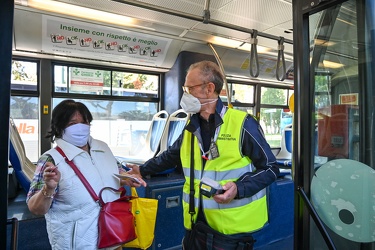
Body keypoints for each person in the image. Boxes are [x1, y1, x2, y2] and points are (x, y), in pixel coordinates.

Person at [128, 60, 280, 250]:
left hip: (230, 227)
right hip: (195, 223)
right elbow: (171, 156)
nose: (185, 94)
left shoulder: (243, 124)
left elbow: (271, 168)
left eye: (190, 88)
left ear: (209, 89)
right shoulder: (191, 127)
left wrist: (239, 187)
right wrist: (141, 170)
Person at [27, 99, 146, 250]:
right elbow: (35, 208)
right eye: (72, 123)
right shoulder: (50, 159)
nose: (80, 127)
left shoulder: (102, 148)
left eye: (84, 122)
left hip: (113, 236)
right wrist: (48, 189)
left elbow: (113, 174)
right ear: (59, 127)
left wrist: (128, 178)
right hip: (77, 244)